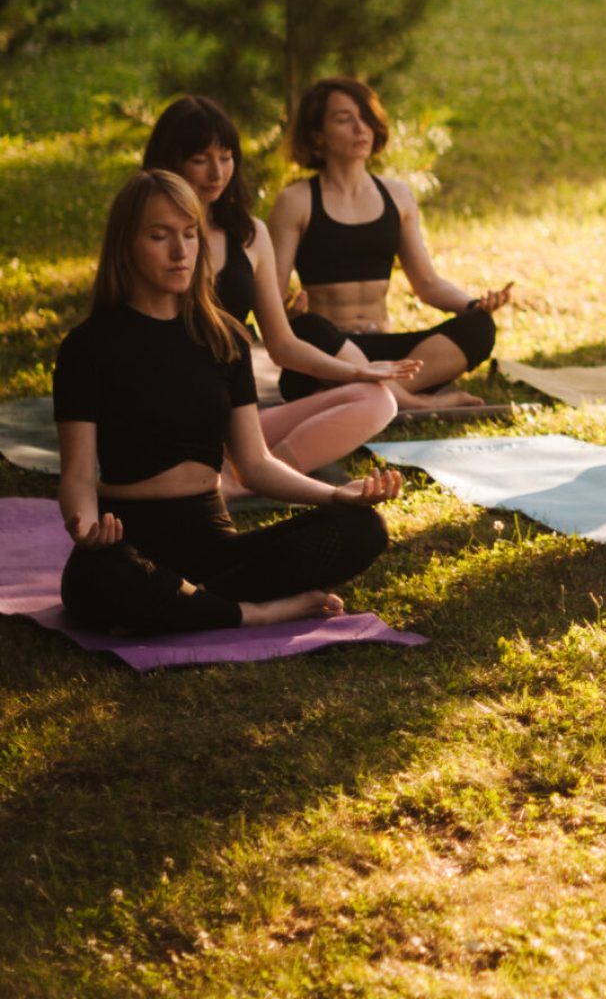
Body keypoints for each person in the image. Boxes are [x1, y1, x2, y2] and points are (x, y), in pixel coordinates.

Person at [55, 170, 400, 635]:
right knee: (100, 579)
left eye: (190, 234)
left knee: (364, 528)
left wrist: (335, 494)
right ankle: (253, 611)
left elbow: (254, 463)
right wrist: (87, 530)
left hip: (214, 544)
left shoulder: (224, 338)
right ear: (125, 247)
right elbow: (76, 475)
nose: (181, 251)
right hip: (128, 542)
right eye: (160, 236)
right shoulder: (88, 347)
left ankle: (191, 603)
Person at [143, 96, 417, 489]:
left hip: (235, 418)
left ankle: (256, 476)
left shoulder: (249, 234)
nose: (217, 172)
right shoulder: (144, 233)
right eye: (201, 159)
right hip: (169, 416)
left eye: (226, 157)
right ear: (171, 161)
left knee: (376, 399)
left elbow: (283, 345)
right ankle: (240, 474)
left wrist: (359, 372)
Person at [268, 77, 510, 414]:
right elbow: (272, 296)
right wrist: (288, 311)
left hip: (386, 355)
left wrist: (474, 305)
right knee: (307, 328)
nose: (360, 128)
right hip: (328, 353)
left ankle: (371, 392)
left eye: (366, 117)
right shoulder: (295, 201)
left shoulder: (398, 196)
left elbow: (427, 285)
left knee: (479, 327)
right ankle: (410, 401)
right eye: (343, 119)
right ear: (317, 135)